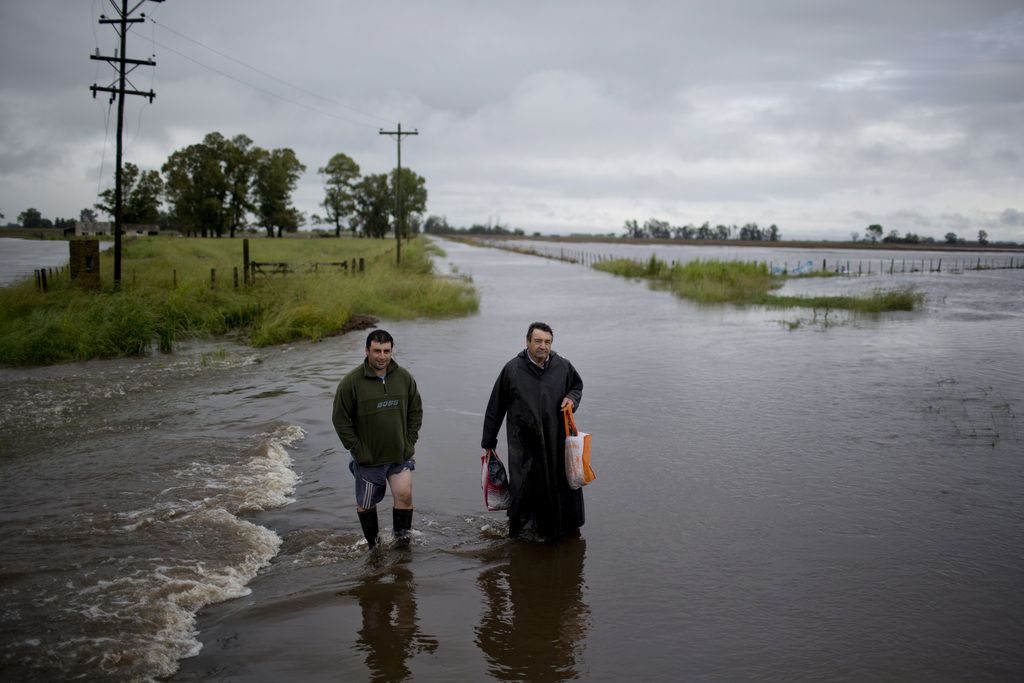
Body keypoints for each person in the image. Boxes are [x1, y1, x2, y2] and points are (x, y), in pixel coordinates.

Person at [481, 322, 584, 541]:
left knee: (558, 485)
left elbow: (577, 386)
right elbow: (495, 406)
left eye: (547, 342)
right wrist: (488, 442)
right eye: (538, 341)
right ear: (528, 342)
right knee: (525, 487)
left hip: (557, 440)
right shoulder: (512, 369)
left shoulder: (563, 366)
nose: (542, 346)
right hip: (524, 444)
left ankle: (561, 529)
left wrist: (571, 399)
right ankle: (524, 534)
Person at [333, 329, 423, 549]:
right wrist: (358, 450)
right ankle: (374, 548)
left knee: (404, 496)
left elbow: (415, 411)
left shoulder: (403, 377)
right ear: (366, 351)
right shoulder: (351, 382)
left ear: (391, 351)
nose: (382, 356)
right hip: (369, 459)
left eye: (386, 351)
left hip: (399, 454)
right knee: (366, 504)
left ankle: (402, 549)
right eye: (376, 351)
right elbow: (340, 420)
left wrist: (409, 442)